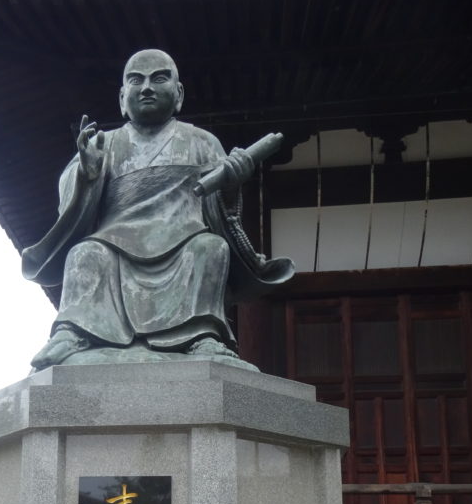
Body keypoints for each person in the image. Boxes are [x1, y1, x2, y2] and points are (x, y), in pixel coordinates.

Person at [22, 49, 293, 370]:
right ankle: (75, 331)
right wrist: (87, 175)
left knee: (211, 248)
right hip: (114, 243)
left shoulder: (203, 142)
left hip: (184, 240)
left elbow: (221, 212)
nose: (147, 88)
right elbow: (71, 205)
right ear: (122, 99)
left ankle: (201, 334)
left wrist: (232, 184)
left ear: (179, 95)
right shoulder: (103, 144)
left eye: (159, 78)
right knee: (84, 253)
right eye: (136, 80)